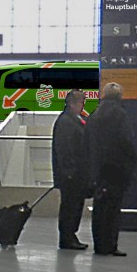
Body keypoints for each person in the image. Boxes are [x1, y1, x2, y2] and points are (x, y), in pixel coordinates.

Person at [87, 82, 137, 257]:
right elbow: (126, 141)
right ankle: (110, 245)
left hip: (99, 169)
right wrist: (131, 162)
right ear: (119, 96)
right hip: (117, 169)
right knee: (113, 209)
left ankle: (99, 245)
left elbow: (88, 142)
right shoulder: (121, 115)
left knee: (100, 208)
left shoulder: (95, 114)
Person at [52, 90, 89, 250]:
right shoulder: (66, 122)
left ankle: (71, 235)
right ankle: (67, 237)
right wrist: (69, 171)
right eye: (81, 103)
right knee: (70, 206)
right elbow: (64, 149)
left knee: (75, 205)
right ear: (72, 103)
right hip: (71, 175)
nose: (82, 106)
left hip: (76, 173)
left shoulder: (74, 119)